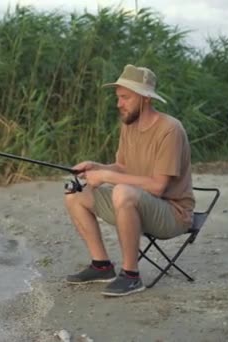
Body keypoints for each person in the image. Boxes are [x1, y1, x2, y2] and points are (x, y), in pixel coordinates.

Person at [63, 64, 195, 297]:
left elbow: (158, 186)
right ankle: (101, 266)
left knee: (122, 191)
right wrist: (97, 167)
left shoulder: (170, 129)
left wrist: (107, 176)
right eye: (118, 97)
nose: (119, 104)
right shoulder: (129, 124)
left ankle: (131, 276)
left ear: (145, 98)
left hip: (173, 214)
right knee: (75, 193)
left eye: (125, 98)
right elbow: (122, 167)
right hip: (136, 205)